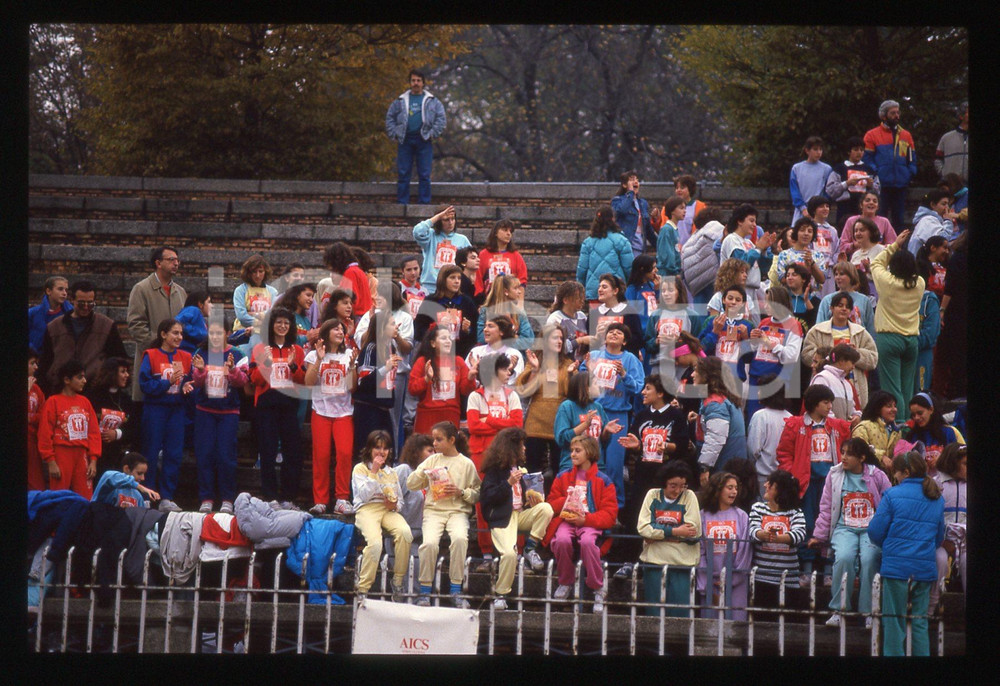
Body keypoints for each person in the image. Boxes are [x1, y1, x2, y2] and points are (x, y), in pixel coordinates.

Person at [867, 451, 944, 656]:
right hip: (924, 568)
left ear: (906, 472)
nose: (895, 477)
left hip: (896, 568)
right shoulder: (937, 497)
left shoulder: (892, 495)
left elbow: (874, 531)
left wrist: (889, 546)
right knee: (919, 623)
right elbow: (939, 537)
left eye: (897, 472)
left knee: (894, 622)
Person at [808, 438, 891, 627]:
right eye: (842, 452)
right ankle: (839, 610)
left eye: (850, 454)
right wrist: (819, 535)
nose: (844, 457)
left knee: (870, 559)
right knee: (844, 557)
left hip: (871, 530)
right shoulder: (834, 475)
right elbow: (826, 508)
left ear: (862, 457)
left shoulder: (877, 475)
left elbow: (889, 505)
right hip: (844, 528)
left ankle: (869, 611)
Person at [616, 374, 690, 579]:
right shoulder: (641, 415)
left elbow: (683, 445)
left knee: (661, 519)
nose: (643, 392)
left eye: (648, 388)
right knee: (635, 516)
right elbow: (636, 444)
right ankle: (629, 562)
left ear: (660, 393)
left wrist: (666, 446)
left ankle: (655, 563)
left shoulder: (676, 416)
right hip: (642, 475)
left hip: (666, 477)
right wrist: (636, 446)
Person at [776, 384, 852, 580]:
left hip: (831, 483)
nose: (830, 406)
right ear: (814, 404)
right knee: (808, 523)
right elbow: (784, 453)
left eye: (830, 402)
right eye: (825, 402)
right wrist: (793, 476)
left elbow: (851, 442)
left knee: (831, 523)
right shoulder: (795, 424)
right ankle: (806, 568)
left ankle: (828, 568)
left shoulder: (837, 426)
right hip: (806, 484)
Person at [406, 421, 481, 608]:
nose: (434, 444)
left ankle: (456, 590)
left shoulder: (466, 464)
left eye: (439, 439)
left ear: (452, 440)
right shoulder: (432, 460)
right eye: (434, 439)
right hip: (434, 511)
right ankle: (425, 592)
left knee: (460, 539)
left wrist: (460, 492)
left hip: (457, 512)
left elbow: (477, 493)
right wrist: (423, 472)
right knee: (429, 543)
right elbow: (411, 484)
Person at [479, 427, 554, 609]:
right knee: (509, 554)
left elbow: (520, 497)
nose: (525, 448)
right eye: (522, 445)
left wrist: (531, 499)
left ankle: (529, 548)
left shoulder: (520, 469)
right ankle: (501, 594)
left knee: (546, 509)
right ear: (511, 447)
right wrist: (508, 483)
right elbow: (487, 498)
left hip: (519, 514)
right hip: (502, 518)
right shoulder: (494, 471)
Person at [547, 435, 618, 612]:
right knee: (561, 539)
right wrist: (567, 500)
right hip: (567, 520)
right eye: (571, 450)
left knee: (588, 542)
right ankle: (565, 581)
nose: (572, 454)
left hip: (590, 522)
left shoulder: (604, 480)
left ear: (590, 452)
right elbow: (550, 504)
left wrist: (586, 520)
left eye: (577, 451)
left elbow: (609, 515)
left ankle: (598, 587)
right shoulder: (563, 476)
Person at [467, 353, 525, 567]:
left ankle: (515, 550)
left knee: (515, 500)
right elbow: (473, 426)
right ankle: (486, 553)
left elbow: (517, 424)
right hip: (482, 455)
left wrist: (489, 419)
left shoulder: (512, 395)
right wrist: (504, 423)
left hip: (508, 455)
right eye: (503, 369)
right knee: (485, 500)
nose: (509, 372)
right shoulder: (475, 396)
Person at [248, 307, 307, 510]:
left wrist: (292, 366)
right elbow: (255, 380)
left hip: (289, 405)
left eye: (286, 323)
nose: (282, 326)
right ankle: (270, 496)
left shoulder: (297, 350)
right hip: (266, 406)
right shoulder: (260, 348)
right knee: (268, 451)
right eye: (278, 322)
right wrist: (265, 363)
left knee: (293, 452)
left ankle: (289, 497)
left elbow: (302, 380)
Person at [579, 322, 643, 509]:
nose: (614, 334)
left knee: (614, 464)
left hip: (619, 414)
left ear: (625, 341)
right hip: (594, 413)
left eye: (619, 333)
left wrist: (624, 374)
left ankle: (616, 506)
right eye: (611, 332)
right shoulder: (595, 355)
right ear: (605, 338)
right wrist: (588, 370)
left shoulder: (630, 360)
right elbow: (580, 382)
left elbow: (638, 388)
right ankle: (590, 503)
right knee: (592, 459)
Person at [190, 319, 247, 514]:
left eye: (219, 333)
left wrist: (232, 370)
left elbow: (243, 382)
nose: (215, 337)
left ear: (228, 333)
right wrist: (200, 371)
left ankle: (227, 498)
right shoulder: (201, 353)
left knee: (226, 456)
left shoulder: (238, 354)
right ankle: (206, 497)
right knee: (204, 454)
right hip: (205, 411)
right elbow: (196, 382)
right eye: (212, 333)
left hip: (228, 413)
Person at [138, 318, 194, 511]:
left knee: (174, 454)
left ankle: (167, 497)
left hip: (177, 410)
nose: (179, 337)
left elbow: (189, 382)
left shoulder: (186, 357)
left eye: (181, 334)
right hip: (155, 409)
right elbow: (145, 385)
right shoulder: (151, 355)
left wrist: (187, 387)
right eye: (175, 333)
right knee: (150, 452)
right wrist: (167, 382)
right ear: (163, 334)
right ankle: (147, 494)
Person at [304, 318, 358, 516]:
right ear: (326, 332)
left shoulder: (349, 354)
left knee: (344, 453)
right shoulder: (313, 354)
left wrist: (352, 367)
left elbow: (353, 387)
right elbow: (308, 383)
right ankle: (320, 501)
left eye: (342, 329)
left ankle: (342, 499)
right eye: (335, 328)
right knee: (321, 456)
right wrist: (319, 359)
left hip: (343, 412)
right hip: (321, 411)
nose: (340, 331)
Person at [634, 460, 701, 617]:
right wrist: (675, 531)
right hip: (654, 561)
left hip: (682, 563)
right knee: (654, 611)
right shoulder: (652, 495)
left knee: (680, 613)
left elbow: (693, 532)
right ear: (664, 483)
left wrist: (657, 535)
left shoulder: (689, 496)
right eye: (673, 485)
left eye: (682, 485)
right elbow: (643, 528)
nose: (678, 490)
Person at [351, 430, 412, 602]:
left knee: (405, 533)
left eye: (385, 448)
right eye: (377, 448)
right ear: (370, 449)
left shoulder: (391, 472)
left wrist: (394, 505)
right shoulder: (360, 468)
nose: (381, 452)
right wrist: (374, 471)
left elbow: (400, 501)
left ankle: (397, 582)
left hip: (387, 510)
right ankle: (363, 588)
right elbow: (363, 496)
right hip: (367, 509)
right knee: (375, 544)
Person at [38, 280, 128, 396]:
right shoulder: (54, 327)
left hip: (94, 392)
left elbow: (118, 359)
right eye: (81, 303)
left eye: (90, 304)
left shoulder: (106, 325)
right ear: (72, 300)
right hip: (59, 390)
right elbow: (45, 363)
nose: (86, 307)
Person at [870, 230, 924, 420]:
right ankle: (909, 424)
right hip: (912, 340)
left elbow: (876, 263)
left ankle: (898, 425)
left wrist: (894, 245)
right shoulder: (920, 283)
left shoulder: (887, 282)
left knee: (892, 389)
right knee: (907, 388)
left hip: (889, 338)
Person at [516, 325, 577, 486]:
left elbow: (574, 395)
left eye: (561, 338)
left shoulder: (568, 364)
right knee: (532, 469)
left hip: (560, 423)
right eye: (555, 337)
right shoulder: (534, 361)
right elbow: (524, 391)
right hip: (535, 423)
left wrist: (571, 375)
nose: (559, 341)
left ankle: (555, 498)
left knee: (559, 468)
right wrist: (535, 370)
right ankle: (533, 498)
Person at [126, 246, 187, 401]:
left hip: (175, 358)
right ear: (158, 263)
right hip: (152, 356)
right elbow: (136, 324)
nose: (176, 263)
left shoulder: (180, 292)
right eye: (171, 260)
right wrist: (157, 348)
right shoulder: (142, 289)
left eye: (177, 260)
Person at [802, 292, 878, 410]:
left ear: (851, 310)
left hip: (855, 386)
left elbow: (873, 359)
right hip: (825, 385)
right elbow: (806, 355)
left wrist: (855, 354)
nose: (844, 309)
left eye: (847, 307)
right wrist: (831, 354)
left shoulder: (861, 332)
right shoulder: (817, 331)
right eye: (840, 305)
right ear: (831, 308)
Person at [37, 359, 101, 498]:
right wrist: (51, 462)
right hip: (61, 454)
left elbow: (93, 433)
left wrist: (93, 460)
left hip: (82, 455)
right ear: (67, 380)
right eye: (80, 377)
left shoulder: (85, 402)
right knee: (59, 497)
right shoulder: (53, 401)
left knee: (85, 496)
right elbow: (44, 434)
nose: (84, 380)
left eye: (84, 377)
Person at [748, 469, 807, 615]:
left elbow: (800, 534)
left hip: (788, 579)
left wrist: (778, 538)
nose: (765, 485)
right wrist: (762, 534)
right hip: (761, 577)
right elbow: (752, 531)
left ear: (780, 489)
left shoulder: (795, 512)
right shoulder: (758, 508)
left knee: (786, 620)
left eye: (770, 484)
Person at [385, 69, 446, 205]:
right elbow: (390, 117)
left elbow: (441, 119)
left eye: (418, 80)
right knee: (403, 172)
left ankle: (424, 203)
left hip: (424, 140)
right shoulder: (400, 101)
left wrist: (432, 133)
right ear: (410, 82)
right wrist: (394, 133)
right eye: (413, 80)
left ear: (423, 83)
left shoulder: (432, 101)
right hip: (405, 140)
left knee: (424, 174)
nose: (416, 83)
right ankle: (402, 203)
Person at [697, 471, 751, 620]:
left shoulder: (742, 516)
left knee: (736, 624)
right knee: (710, 625)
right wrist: (706, 583)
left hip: (736, 583)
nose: (734, 492)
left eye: (736, 488)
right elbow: (699, 550)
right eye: (729, 487)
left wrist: (731, 578)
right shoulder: (702, 516)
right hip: (710, 582)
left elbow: (745, 551)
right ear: (717, 489)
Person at [744, 285, 803, 421]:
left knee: (776, 419)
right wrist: (753, 340)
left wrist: (769, 343)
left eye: (769, 302)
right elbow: (754, 350)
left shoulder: (794, 324)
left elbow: (791, 356)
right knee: (754, 418)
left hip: (778, 380)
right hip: (756, 376)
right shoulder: (764, 322)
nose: (765, 306)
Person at [354, 308, 406, 456]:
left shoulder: (391, 348)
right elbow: (363, 382)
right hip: (368, 410)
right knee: (368, 454)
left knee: (387, 453)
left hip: (384, 408)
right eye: (392, 324)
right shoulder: (370, 348)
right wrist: (385, 368)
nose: (396, 327)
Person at [408, 327, 477, 436]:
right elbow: (412, 389)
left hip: (451, 417)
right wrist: (426, 379)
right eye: (444, 338)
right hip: (427, 417)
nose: (448, 341)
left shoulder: (458, 361)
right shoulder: (423, 362)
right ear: (433, 343)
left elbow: (465, 390)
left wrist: (470, 377)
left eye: (449, 338)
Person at [552, 371, 622, 473]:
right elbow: (562, 439)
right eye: (595, 383)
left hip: (597, 466)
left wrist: (606, 431)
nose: (600, 386)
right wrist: (585, 424)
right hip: (572, 466)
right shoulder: (567, 406)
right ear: (585, 387)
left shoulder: (597, 407)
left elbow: (603, 443)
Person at [863, 100, 917, 229]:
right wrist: (877, 172)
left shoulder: (906, 135)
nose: (896, 115)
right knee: (880, 217)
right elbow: (867, 159)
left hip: (901, 184)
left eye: (898, 112)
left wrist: (909, 173)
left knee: (899, 219)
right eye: (893, 113)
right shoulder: (872, 135)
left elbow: (912, 158)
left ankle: (898, 241)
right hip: (881, 185)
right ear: (884, 116)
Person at [691, 356, 746, 474]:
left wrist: (704, 467)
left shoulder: (715, 403)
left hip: (723, 470)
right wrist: (701, 419)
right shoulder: (724, 397)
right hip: (733, 466)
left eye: (696, 371)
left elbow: (715, 439)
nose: (692, 374)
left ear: (707, 375)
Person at [413, 264, 479, 359]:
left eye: (459, 278)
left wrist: (467, 330)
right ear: (443, 280)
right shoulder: (430, 301)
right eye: (452, 278)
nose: (457, 281)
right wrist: (435, 327)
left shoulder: (467, 302)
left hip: (460, 354)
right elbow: (419, 331)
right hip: (435, 355)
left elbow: (475, 332)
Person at [930, 443, 966, 611]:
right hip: (940, 541)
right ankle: (931, 607)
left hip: (965, 542)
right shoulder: (936, 484)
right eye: (965, 464)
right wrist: (942, 539)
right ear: (953, 463)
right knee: (940, 560)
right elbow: (930, 519)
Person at [644, 275, 699, 378]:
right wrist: (656, 342)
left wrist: (679, 342)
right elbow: (647, 344)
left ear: (679, 291)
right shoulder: (656, 315)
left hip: (683, 369)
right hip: (659, 367)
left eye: (670, 290)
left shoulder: (692, 316)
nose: (666, 294)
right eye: (663, 291)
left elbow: (697, 344)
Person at [747, 376, 792, 497]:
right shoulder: (790, 417)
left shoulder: (760, 416)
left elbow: (753, 449)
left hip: (763, 475)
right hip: (785, 475)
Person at [577, 206, 633, 302]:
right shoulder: (622, 240)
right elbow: (629, 268)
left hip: (595, 291)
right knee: (616, 312)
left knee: (596, 312)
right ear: (612, 219)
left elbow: (582, 270)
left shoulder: (587, 242)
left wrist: (581, 289)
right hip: (615, 290)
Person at [412, 205, 472, 293]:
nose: (450, 223)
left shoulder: (462, 239)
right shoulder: (431, 235)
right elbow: (418, 232)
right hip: (431, 286)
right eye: (446, 220)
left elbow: (471, 260)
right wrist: (438, 216)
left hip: (453, 287)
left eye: (453, 219)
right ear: (439, 221)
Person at [720, 204, 774, 301]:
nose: (754, 225)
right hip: (736, 291)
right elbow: (741, 264)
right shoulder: (731, 239)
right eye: (751, 221)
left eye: (755, 221)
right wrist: (758, 249)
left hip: (752, 290)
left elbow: (763, 269)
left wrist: (764, 250)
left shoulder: (749, 243)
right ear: (740, 221)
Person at [903, 392, 965, 477]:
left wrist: (941, 460)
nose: (916, 417)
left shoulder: (948, 432)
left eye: (920, 413)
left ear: (931, 410)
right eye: (913, 415)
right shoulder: (911, 436)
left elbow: (959, 459)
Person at [825, 136, 881, 227]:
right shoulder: (840, 168)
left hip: (864, 209)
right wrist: (846, 183)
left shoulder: (869, 170)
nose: (859, 152)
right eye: (855, 150)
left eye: (861, 150)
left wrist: (871, 185)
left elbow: (878, 190)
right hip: (844, 208)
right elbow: (830, 190)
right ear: (849, 151)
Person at [475, 275, 535, 352]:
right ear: (506, 291)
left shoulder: (519, 312)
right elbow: (481, 338)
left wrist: (498, 339)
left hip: (515, 355)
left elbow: (528, 341)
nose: (519, 291)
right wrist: (513, 337)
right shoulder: (485, 311)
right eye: (515, 288)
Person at [232, 255, 279, 350]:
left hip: (265, 335)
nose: (257, 275)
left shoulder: (273, 292)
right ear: (248, 273)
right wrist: (263, 320)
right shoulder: (241, 290)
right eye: (254, 272)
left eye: (260, 271)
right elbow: (242, 317)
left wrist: (254, 314)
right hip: (245, 334)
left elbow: (274, 314)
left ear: (265, 272)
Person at [808, 344, 864, 423]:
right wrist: (838, 425)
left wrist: (857, 416)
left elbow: (852, 410)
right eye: (852, 363)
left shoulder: (847, 384)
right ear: (842, 361)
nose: (853, 367)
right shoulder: (822, 378)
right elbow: (817, 408)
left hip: (844, 430)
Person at [394, 433, 434, 540]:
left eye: (435, 451)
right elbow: (391, 501)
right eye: (430, 451)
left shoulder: (432, 475)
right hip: (400, 536)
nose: (434, 455)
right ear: (417, 452)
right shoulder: (404, 471)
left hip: (423, 537)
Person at [475, 219, 528, 298]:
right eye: (505, 230)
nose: (508, 234)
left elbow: (522, 281)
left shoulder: (516, 256)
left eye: (510, 231)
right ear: (495, 232)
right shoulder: (483, 255)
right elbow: (478, 280)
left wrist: (520, 303)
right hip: (488, 299)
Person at [852, 390, 902, 474]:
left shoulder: (896, 431)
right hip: (868, 476)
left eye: (895, 406)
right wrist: (881, 456)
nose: (894, 410)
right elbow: (858, 448)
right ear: (878, 409)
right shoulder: (864, 427)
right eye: (889, 406)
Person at [837, 191, 897, 257]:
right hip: (857, 259)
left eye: (874, 201)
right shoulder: (851, 221)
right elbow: (842, 247)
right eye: (867, 200)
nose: (871, 203)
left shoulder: (884, 222)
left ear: (877, 206)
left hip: (878, 259)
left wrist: (876, 247)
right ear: (861, 205)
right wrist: (854, 245)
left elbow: (894, 245)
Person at [91, 451, 160, 508]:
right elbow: (109, 475)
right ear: (126, 469)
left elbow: (140, 518)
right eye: (139, 473)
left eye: (144, 474)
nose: (143, 478)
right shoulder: (111, 486)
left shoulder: (138, 496)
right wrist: (139, 486)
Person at [789, 136, 832, 224]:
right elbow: (795, 191)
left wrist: (819, 207)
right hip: (801, 211)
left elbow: (828, 191)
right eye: (815, 149)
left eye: (820, 149)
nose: (818, 152)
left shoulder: (827, 169)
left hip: (818, 212)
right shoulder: (796, 168)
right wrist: (803, 208)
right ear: (807, 150)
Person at [611, 170, 655, 257]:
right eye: (632, 180)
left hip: (641, 249)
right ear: (624, 185)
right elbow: (622, 210)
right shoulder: (617, 200)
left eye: (637, 180)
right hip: (626, 248)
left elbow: (648, 230)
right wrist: (630, 193)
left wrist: (659, 246)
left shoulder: (643, 203)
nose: (635, 182)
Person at [545, 280, 590, 362]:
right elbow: (553, 346)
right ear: (565, 300)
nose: (582, 301)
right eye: (578, 298)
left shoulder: (582, 316)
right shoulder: (555, 318)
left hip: (581, 364)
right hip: (563, 363)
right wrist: (580, 341)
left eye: (582, 298)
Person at [805, 197, 840, 297]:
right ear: (813, 210)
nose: (825, 209)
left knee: (829, 298)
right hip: (813, 268)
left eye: (827, 206)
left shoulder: (832, 230)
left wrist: (833, 263)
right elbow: (807, 247)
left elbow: (836, 249)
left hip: (829, 269)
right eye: (821, 206)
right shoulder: (808, 228)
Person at [28, 275, 73, 352]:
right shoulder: (32, 313)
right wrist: (32, 353)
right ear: (48, 291)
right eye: (60, 289)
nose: (65, 293)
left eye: (66, 290)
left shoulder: (72, 314)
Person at [908, 190, 956, 258]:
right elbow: (942, 241)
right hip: (919, 263)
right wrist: (948, 221)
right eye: (944, 204)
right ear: (933, 205)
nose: (947, 208)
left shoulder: (932, 220)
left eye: (948, 204)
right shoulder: (928, 220)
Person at [625, 255, 661, 338]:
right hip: (641, 333)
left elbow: (660, 306)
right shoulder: (632, 290)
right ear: (642, 269)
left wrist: (657, 290)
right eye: (653, 268)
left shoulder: (653, 286)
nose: (656, 270)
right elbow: (630, 315)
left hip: (656, 331)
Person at [27, 349, 47, 491]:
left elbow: (43, 415)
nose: (36, 367)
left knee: (36, 485)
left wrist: (30, 417)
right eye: (32, 363)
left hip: (32, 440)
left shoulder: (37, 389)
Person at [934, 101, 968, 182]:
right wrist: (944, 174)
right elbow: (938, 159)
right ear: (961, 116)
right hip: (953, 185)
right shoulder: (946, 138)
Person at [654, 196, 684, 280]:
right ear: (672, 210)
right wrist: (674, 271)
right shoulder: (667, 229)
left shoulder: (674, 229)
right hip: (667, 275)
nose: (684, 211)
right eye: (681, 208)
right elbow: (666, 255)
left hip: (672, 274)